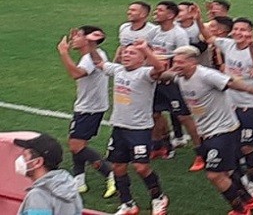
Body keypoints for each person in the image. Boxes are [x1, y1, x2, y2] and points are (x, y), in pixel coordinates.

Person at [168, 46, 253, 215]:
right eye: (174, 62)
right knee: (227, 171)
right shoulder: (181, 77)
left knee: (214, 175)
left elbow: (234, 84)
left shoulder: (206, 75)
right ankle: (250, 200)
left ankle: (241, 210)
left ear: (192, 62)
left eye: (180, 62)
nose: (176, 65)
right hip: (207, 132)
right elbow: (162, 75)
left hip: (223, 131)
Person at [197, 15, 253, 197]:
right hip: (229, 106)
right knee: (234, 145)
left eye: (243, 30)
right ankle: (240, 176)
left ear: (251, 33)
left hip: (248, 106)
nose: (239, 33)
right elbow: (209, 37)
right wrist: (199, 20)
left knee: (246, 147)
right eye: (236, 29)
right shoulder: (228, 44)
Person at [98, 40, 169, 214]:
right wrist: (91, 45)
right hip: (119, 127)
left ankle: (158, 197)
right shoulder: (118, 70)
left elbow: (160, 69)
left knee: (141, 167)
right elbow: (99, 63)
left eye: (132, 53)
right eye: (125, 52)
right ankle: (128, 204)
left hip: (139, 129)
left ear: (142, 59)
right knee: (118, 167)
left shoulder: (145, 74)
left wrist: (146, 49)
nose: (126, 55)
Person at [56, 26, 116, 197]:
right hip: (89, 106)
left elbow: (76, 74)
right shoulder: (93, 54)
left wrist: (64, 53)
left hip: (89, 108)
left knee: (76, 145)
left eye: (78, 36)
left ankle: (110, 173)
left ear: (89, 39)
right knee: (77, 143)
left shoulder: (89, 58)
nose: (73, 39)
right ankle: (79, 181)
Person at [149, 0, 198, 160]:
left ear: (170, 15)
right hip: (156, 79)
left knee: (183, 116)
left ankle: (201, 151)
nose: (156, 13)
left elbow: (183, 58)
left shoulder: (179, 34)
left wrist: (169, 74)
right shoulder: (154, 32)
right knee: (155, 113)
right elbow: (149, 51)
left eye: (160, 10)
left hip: (173, 81)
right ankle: (162, 145)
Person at [14, 133, 83, 215]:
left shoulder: (38, 195)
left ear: (37, 162)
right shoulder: (69, 186)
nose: (20, 159)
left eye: (25, 155)